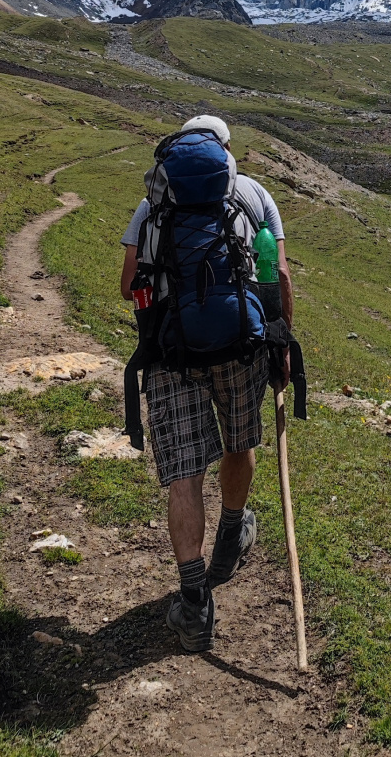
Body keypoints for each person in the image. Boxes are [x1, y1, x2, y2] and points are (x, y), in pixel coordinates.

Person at [119, 114, 294, 653]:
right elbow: (278, 276)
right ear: (226, 152)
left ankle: (194, 601)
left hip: (172, 355)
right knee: (240, 444)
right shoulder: (253, 195)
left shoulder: (154, 203)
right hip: (240, 348)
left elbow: (129, 287)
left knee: (184, 476)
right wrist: (282, 346)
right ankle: (232, 531)